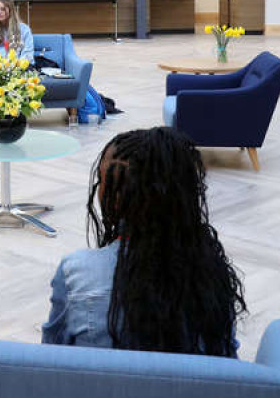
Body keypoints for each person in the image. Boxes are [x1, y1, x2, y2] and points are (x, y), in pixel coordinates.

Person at [41, 127, 247, 357]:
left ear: (116, 198)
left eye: (103, 180)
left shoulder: (77, 272)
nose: (99, 188)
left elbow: (51, 357)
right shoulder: (211, 276)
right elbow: (227, 359)